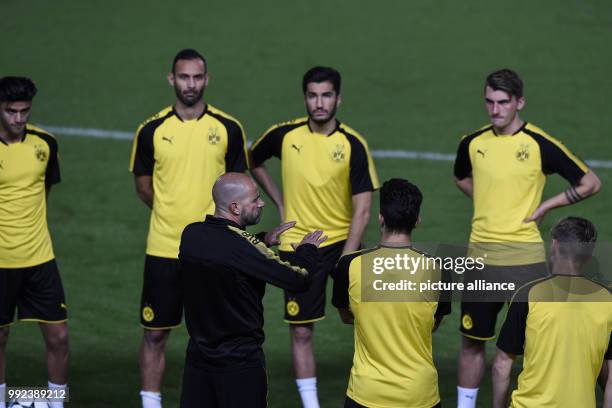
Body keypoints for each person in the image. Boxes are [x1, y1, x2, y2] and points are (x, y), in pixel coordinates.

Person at [453, 68, 602, 408]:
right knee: (472, 341)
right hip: (482, 258)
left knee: (531, 343)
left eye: (503, 102)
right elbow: (460, 177)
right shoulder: (472, 143)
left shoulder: (539, 143)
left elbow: (590, 182)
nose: (495, 110)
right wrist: (488, 199)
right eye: (489, 102)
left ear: (519, 102)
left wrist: (547, 204)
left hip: (527, 261)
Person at [250, 66, 379, 407]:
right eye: (312, 95)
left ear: (338, 98)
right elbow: (254, 159)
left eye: (326, 95)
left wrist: (348, 257)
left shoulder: (352, 144)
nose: (319, 103)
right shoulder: (285, 135)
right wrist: (278, 199)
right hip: (298, 247)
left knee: (359, 319)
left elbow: (363, 208)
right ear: (304, 97)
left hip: (340, 245)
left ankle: (371, 389)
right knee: (302, 329)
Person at [129, 49, 249, 408]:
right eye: (184, 77)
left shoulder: (228, 128)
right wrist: (170, 213)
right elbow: (143, 187)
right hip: (164, 248)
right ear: (171, 79)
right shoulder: (151, 130)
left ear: (207, 79)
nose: (191, 84)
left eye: (197, 77)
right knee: (155, 334)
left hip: (213, 252)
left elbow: (239, 187)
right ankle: (151, 404)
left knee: (217, 334)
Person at [179, 172, 327, 408]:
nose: (262, 203)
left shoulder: (191, 234)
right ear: (236, 207)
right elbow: (298, 280)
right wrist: (307, 250)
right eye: (255, 199)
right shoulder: (244, 248)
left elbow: (226, 252)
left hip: (198, 361)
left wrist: (261, 240)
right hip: (240, 365)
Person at [332, 178, 451, 408]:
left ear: (380, 218)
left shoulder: (349, 265)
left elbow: (346, 316)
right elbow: (433, 324)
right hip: (420, 395)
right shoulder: (438, 269)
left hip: (366, 394)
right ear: (417, 220)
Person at [492, 216, 612, 407]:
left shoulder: (528, 294)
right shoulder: (608, 299)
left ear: (554, 245)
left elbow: (501, 365)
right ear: (589, 255)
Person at [0, 76, 68, 408]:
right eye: (11, 112)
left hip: (40, 257)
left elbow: (44, 191)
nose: (18, 119)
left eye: (24, 111)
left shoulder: (45, 144)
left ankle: (54, 403)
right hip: (0, 261)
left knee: (59, 336)